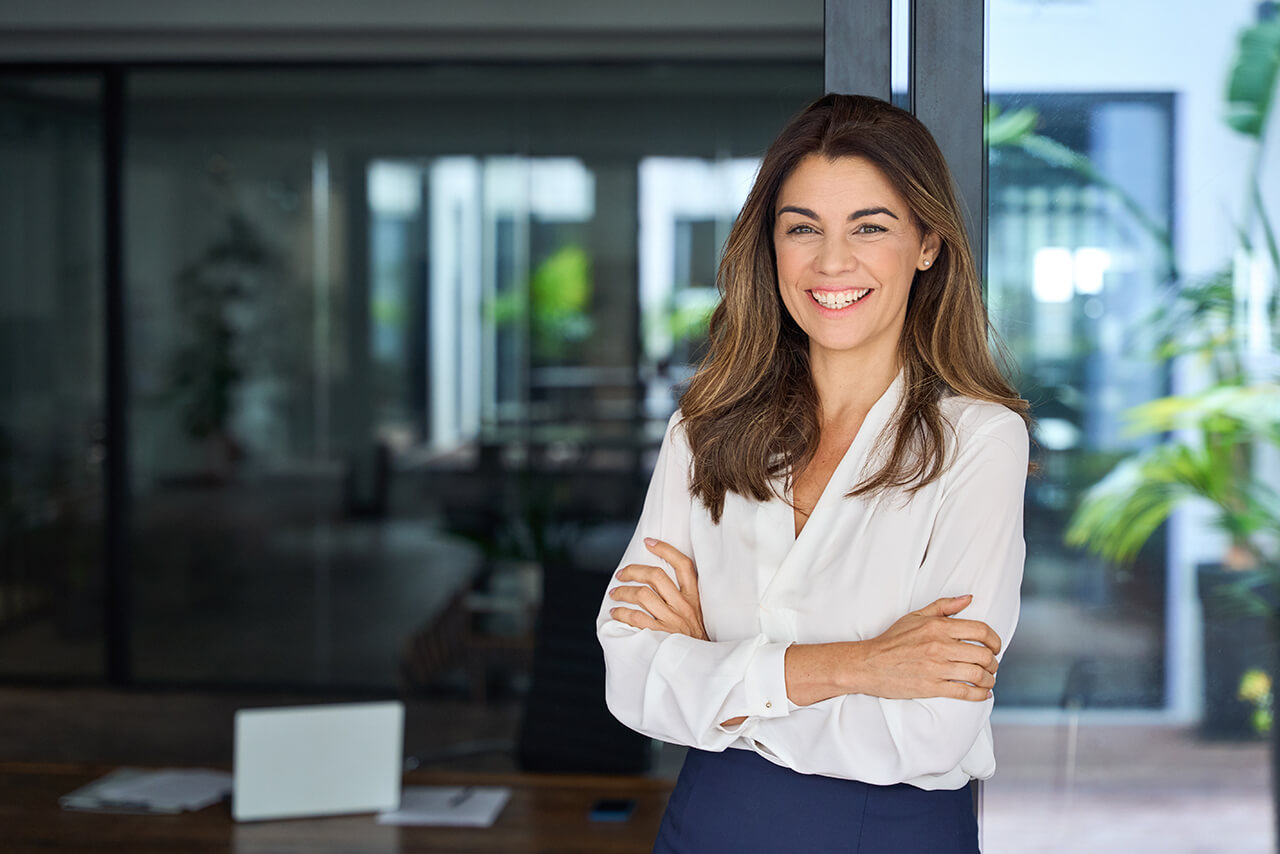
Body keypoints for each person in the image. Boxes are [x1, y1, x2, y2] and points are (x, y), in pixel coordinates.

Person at [596, 93, 1030, 853]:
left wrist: (712, 672)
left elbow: (930, 729)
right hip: (708, 825)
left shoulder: (980, 444)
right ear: (770, 246)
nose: (833, 263)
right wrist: (861, 665)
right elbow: (632, 680)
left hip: (890, 834)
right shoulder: (704, 432)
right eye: (803, 228)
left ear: (927, 242)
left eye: (870, 226)